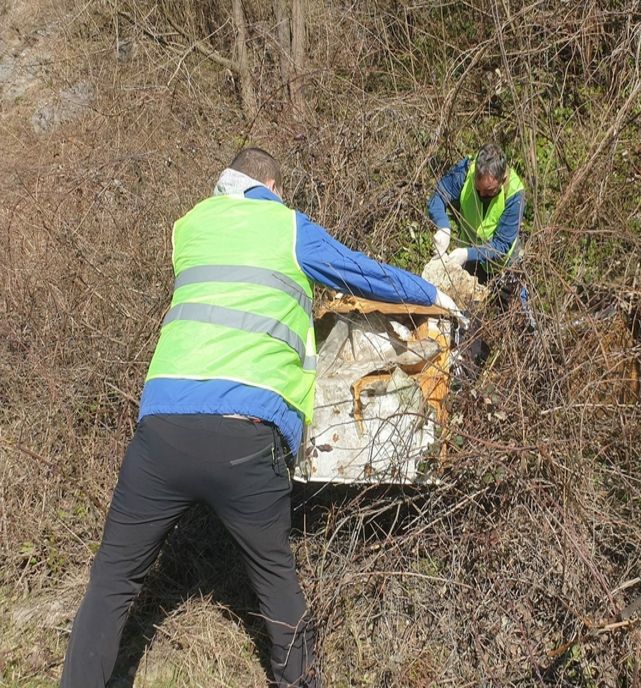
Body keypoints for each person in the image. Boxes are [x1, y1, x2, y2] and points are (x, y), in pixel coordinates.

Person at [60, 147, 463, 688]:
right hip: (247, 434)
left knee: (111, 581)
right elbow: (360, 272)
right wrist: (434, 294)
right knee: (275, 580)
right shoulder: (284, 225)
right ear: (270, 183)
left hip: (161, 430)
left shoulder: (190, 226)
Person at [427, 142, 526, 283]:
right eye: (478, 188)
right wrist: (443, 227)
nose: (481, 194)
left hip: (504, 266)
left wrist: (467, 254)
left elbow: (501, 245)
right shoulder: (465, 172)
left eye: (489, 191)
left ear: (502, 179)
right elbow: (438, 196)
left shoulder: (515, 194)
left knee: (513, 303)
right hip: (470, 260)